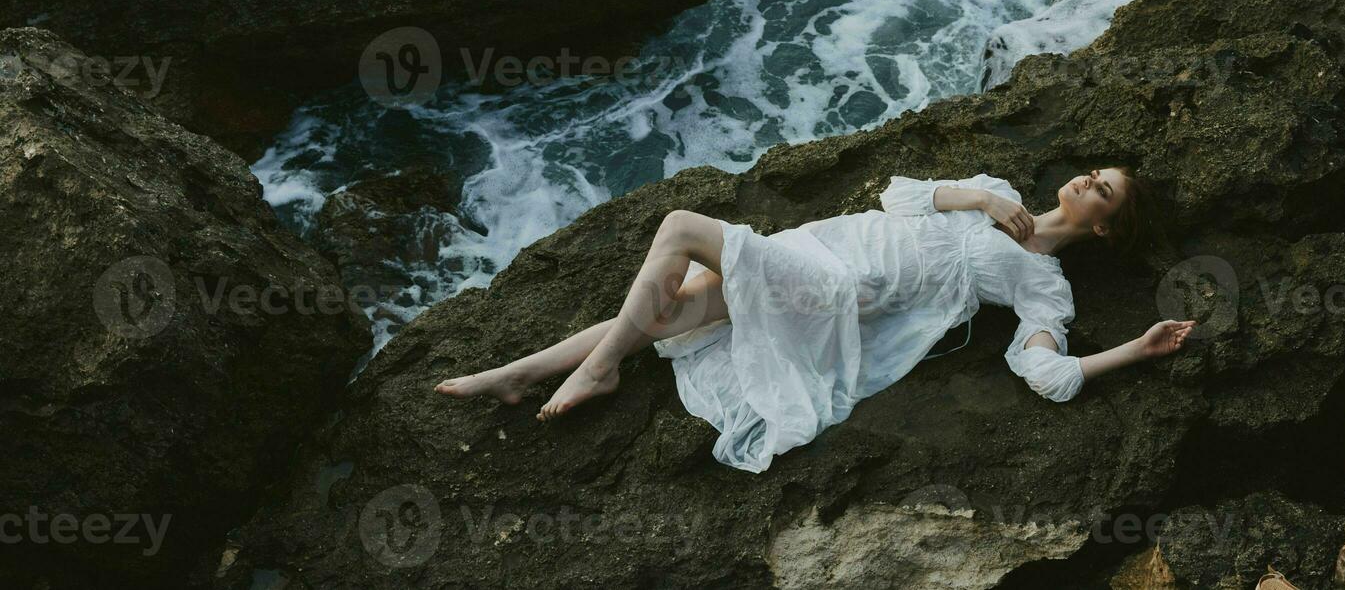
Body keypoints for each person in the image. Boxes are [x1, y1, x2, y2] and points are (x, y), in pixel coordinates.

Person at [436, 167, 1196, 473]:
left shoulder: (1045, 285)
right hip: (821, 244)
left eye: (1104, 190)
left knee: (677, 226)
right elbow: (898, 196)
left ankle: (596, 370)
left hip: (842, 286)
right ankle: (523, 374)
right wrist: (979, 198)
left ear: (1104, 227)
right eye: (1095, 170)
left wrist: (1134, 348)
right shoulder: (997, 190)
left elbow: (1046, 372)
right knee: (664, 310)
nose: (1088, 179)